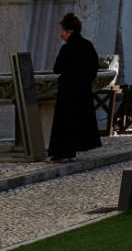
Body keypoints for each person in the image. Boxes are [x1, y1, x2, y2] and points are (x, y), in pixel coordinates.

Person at [47, 13, 102, 162]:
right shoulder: (88, 45)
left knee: (64, 123)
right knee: (78, 121)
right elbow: (94, 68)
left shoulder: (67, 48)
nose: (61, 34)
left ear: (69, 31)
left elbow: (57, 68)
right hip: (83, 90)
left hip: (68, 90)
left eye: (63, 31)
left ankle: (62, 153)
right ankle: (71, 153)